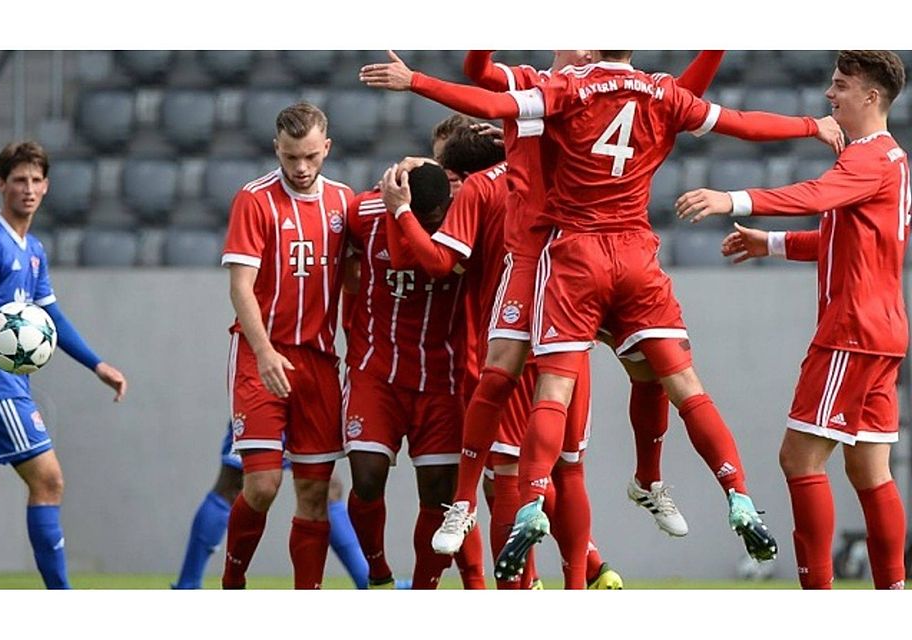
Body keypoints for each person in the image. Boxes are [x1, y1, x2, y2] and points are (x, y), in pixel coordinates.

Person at [360, 49, 845, 578]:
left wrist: (415, 83)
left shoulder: (560, 91)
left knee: (575, 422)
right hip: (592, 258)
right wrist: (804, 121)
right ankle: (714, 491)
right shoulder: (609, 88)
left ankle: (595, 503)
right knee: (634, 382)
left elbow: (484, 93)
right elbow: (730, 117)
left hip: (570, 261)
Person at [677, 50, 908, 590]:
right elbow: (852, 241)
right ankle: (894, 593)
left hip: (850, 331)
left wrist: (731, 198)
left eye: (840, 85)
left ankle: (818, 594)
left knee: (799, 459)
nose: (830, 95)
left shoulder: (867, 158)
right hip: (883, 331)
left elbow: (815, 195)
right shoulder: (893, 160)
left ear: (869, 97)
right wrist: (772, 243)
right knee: (869, 472)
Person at [384, 124, 621, 589]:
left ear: (460, 169)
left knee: (508, 476)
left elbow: (434, 262)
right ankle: (584, 574)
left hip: (511, 345)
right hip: (568, 340)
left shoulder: (479, 192)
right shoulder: (565, 174)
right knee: (565, 469)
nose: (441, 179)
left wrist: (401, 212)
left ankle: (517, 588)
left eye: (444, 170)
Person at [0, 141, 128, 589]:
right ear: (1, 185)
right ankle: (61, 603)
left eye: (35, 181)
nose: (27, 189)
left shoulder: (33, 250)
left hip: (4, 386)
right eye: (18, 180)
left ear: (46, 187)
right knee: (49, 480)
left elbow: (52, 316)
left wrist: (96, 364)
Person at [220, 102, 352, 590]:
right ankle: (233, 581)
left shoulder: (343, 203)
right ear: (277, 148)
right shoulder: (253, 200)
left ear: (327, 149)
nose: (300, 168)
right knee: (262, 484)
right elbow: (240, 287)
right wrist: (265, 350)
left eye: (311, 157)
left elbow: (357, 280)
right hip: (262, 357)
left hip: (318, 361)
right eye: (291, 156)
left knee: (315, 493)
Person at [342, 161, 487, 589]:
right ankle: (379, 573)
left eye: (434, 220)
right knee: (366, 479)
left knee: (441, 497)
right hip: (375, 370)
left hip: (440, 378)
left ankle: (423, 592)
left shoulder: (466, 221)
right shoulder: (362, 214)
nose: (428, 229)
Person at [172, 423, 401, 589]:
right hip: (265, 384)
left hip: (304, 383)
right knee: (236, 483)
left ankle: (366, 580)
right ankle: (188, 585)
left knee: (326, 487)